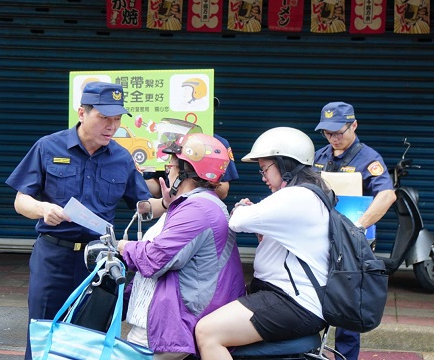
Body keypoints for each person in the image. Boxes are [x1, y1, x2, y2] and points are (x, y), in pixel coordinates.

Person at [5, 81, 166, 359]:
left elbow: (142, 206)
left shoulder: (121, 157)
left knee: (91, 335)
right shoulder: (48, 146)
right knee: (44, 328)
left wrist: (167, 203)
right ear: (82, 112)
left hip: (99, 261)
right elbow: (21, 201)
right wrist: (43, 208)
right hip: (54, 255)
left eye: (116, 119)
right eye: (104, 117)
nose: (111, 126)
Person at [195, 127, 330, 360]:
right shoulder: (310, 195)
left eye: (265, 169)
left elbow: (238, 222)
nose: (263, 177)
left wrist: (241, 208)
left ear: (286, 164)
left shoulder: (297, 196)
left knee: (208, 332)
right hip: (290, 299)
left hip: (292, 302)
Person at [118, 133, 245, 359]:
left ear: (187, 171)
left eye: (173, 164)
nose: (168, 169)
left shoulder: (198, 210)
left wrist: (124, 247)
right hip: (167, 316)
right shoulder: (193, 205)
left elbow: (155, 259)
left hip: (173, 321)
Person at [313, 101, 396, 360]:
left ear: (354, 125)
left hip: (352, 246)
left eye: (339, 132)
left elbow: (387, 196)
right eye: (328, 133)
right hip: (319, 241)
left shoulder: (369, 158)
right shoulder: (319, 156)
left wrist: (358, 227)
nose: (333, 138)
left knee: (348, 311)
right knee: (313, 302)